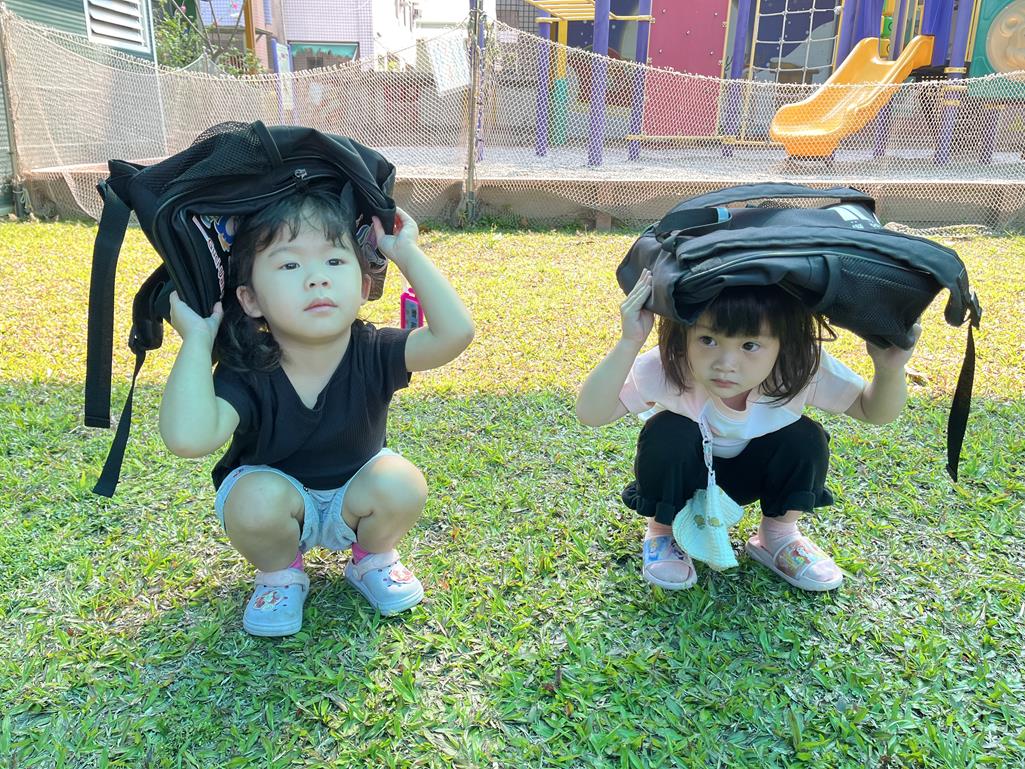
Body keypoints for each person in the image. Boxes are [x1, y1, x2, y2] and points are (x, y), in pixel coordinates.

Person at [158, 188, 474, 635]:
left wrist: (405, 253)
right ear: (250, 300)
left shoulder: (375, 351)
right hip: (279, 501)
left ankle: (372, 560)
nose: (317, 279)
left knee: (402, 482)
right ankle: (281, 574)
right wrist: (196, 340)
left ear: (363, 287)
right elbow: (188, 438)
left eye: (335, 260)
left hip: (356, 494)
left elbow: (456, 333)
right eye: (289, 265)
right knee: (253, 500)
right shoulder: (249, 368)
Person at [576, 269, 919, 592]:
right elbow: (592, 414)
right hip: (689, 476)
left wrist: (889, 370)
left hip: (752, 475)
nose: (725, 364)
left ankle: (778, 535)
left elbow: (872, 411)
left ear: (784, 343)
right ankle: (663, 532)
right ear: (684, 335)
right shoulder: (671, 364)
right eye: (708, 339)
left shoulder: (798, 364)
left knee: (805, 436)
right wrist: (629, 341)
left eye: (750, 345)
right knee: (666, 431)